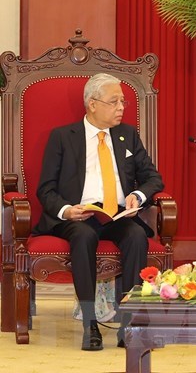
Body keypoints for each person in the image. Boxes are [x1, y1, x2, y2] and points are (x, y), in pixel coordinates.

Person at [35, 73, 164, 351]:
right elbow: (45, 189)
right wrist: (67, 211)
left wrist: (137, 196)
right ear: (92, 104)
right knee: (83, 236)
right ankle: (89, 324)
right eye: (114, 101)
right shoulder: (62, 137)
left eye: (123, 101)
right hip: (77, 216)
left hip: (116, 214)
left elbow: (153, 178)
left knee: (135, 237)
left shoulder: (127, 134)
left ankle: (129, 326)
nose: (121, 107)